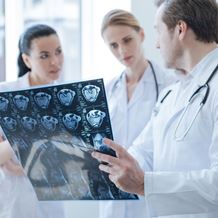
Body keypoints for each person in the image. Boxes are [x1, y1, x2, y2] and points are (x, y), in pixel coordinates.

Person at [92, 0, 218, 218]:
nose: (157, 44)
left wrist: (144, 184)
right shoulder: (172, 94)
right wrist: (113, 165)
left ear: (180, 29)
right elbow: (143, 150)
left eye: (158, 31)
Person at [99, 9, 176, 218]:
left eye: (127, 40)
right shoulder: (107, 90)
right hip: (113, 197)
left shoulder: (171, 84)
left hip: (148, 195)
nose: (122, 50)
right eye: (113, 45)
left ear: (141, 35)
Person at [0, 24, 65, 218]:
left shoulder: (66, 99)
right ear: (27, 59)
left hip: (52, 203)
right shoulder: (4, 95)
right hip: (14, 202)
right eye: (44, 55)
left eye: (58, 52)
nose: (55, 62)